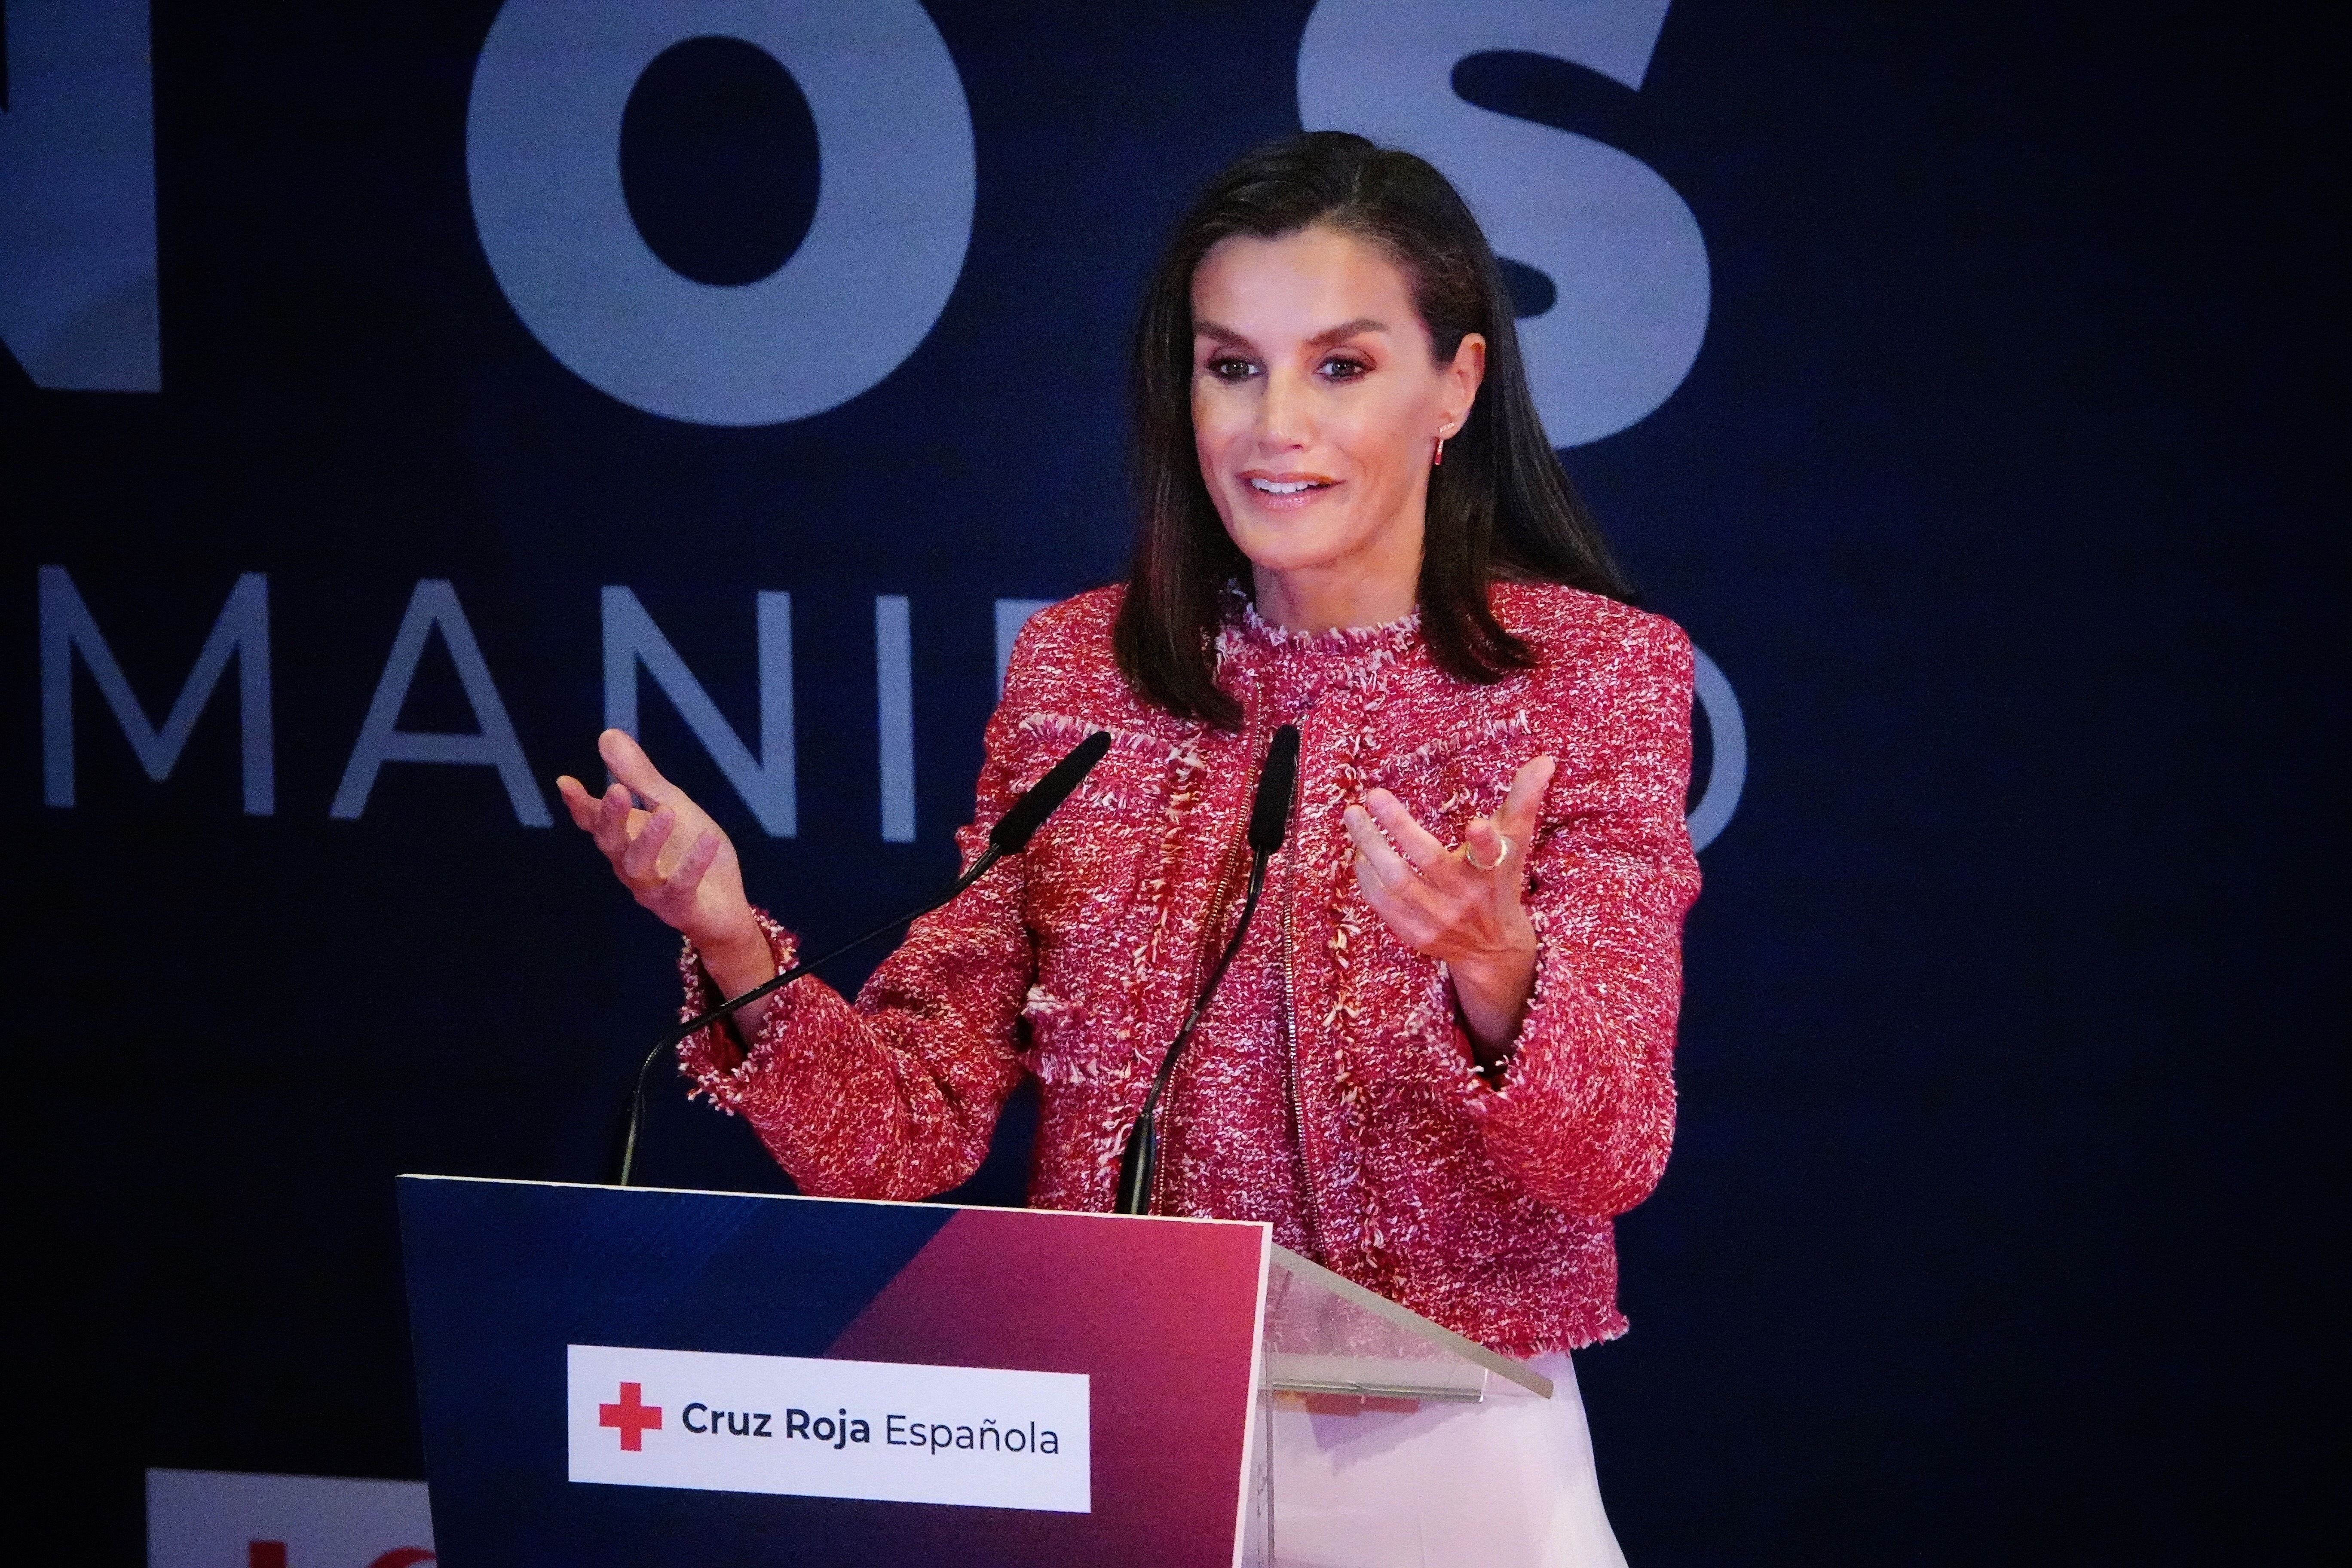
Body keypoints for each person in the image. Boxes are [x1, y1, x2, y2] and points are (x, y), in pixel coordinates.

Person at [559, 132, 1697, 1566]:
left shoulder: (1590, 679)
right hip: (1112, 1443)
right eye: (1232, 366)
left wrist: (1496, 964)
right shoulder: (1079, 677)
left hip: (1445, 1462)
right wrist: (731, 939)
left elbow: (1607, 1154)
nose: (1275, 424)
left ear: (1455, 387)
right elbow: (906, 1136)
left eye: (1340, 366)